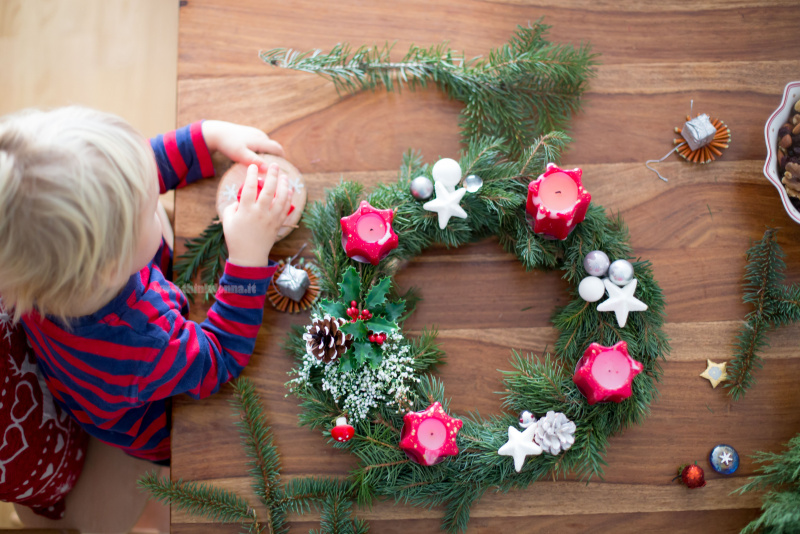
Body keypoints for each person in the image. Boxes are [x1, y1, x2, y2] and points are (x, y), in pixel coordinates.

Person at [0, 106, 293, 464]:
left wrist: (208, 136)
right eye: (149, 204)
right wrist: (248, 256)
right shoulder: (141, 340)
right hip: (159, 420)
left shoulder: (43, 267)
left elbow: (128, 178)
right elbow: (219, 356)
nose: (155, 190)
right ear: (111, 267)